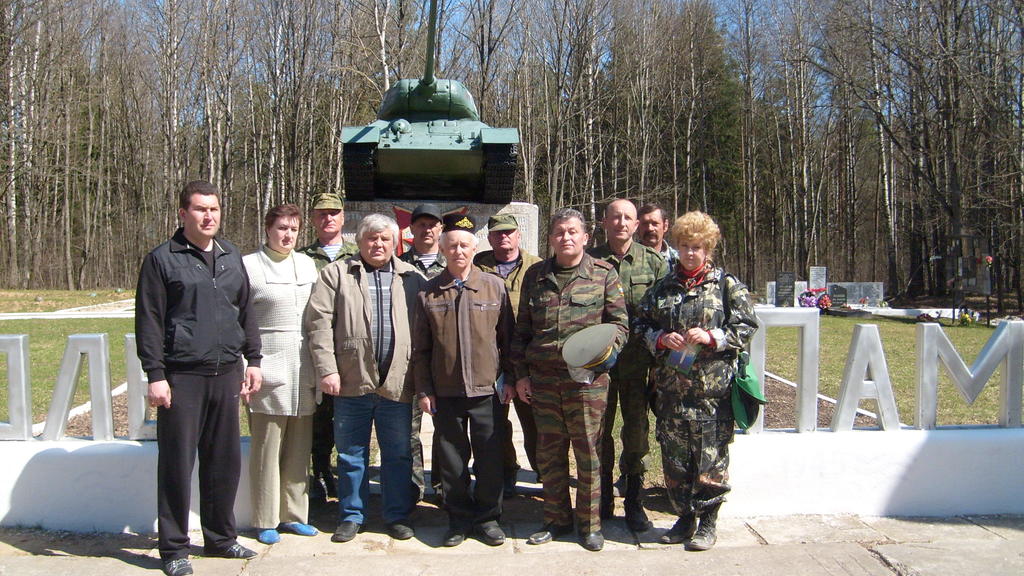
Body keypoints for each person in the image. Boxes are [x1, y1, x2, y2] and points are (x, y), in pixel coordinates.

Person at [135, 180, 262, 576]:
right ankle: (174, 549)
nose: (209, 216)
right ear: (183, 213)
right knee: (177, 464)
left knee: (223, 462)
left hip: (226, 374)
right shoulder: (162, 259)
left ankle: (220, 538)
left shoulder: (230, 255)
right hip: (182, 377)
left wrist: (253, 359)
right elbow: (149, 321)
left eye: (214, 209)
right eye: (200, 209)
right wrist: (156, 374)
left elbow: (246, 311)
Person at [634, 211, 757, 551]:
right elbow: (639, 325)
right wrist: (660, 338)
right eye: (685, 246)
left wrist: (713, 336)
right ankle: (684, 518)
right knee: (675, 462)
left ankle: (708, 522)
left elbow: (746, 326)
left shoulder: (726, 286)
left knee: (710, 461)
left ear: (708, 249)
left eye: (697, 247)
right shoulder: (662, 288)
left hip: (711, 396)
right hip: (671, 394)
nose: (690, 253)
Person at [511, 208, 628, 552]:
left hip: (587, 384)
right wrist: (521, 375)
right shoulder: (535, 276)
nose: (566, 237)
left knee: (588, 453)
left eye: (573, 231)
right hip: (544, 382)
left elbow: (620, 326)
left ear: (585, 237)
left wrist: (602, 359)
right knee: (549, 454)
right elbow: (522, 330)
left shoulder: (603, 274)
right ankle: (555, 519)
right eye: (560, 232)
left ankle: (589, 526)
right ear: (551, 238)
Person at [304, 213, 425, 543]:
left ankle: (396, 515)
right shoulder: (336, 274)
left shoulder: (411, 277)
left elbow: (425, 330)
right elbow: (318, 324)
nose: (378, 244)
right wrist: (327, 369)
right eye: (372, 238)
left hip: (397, 383)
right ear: (359, 242)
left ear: (395, 242)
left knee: (398, 454)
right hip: (351, 380)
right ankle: (351, 515)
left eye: (385, 238)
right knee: (350, 453)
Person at [412, 214, 516, 547]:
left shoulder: (493, 286)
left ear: (474, 248)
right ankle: (458, 519)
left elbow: (508, 340)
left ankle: (488, 518)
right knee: (452, 461)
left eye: (464, 245)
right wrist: (424, 389)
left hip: (488, 390)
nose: (458, 251)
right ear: (443, 250)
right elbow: (420, 348)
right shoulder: (429, 292)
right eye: (452, 246)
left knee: (489, 458)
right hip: (446, 392)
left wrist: (510, 379)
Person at [588, 199, 667, 532]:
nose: (621, 223)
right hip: (599, 365)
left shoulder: (654, 263)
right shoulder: (588, 260)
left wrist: (660, 369)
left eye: (628, 218)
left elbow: (666, 317)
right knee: (598, 432)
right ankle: (603, 497)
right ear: (604, 223)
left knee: (636, 432)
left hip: (637, 365)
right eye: (615, 217)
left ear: (636, 225)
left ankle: (634, 499)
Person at [243, 203, 320, 545]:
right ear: (267, 229)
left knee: (299, 445)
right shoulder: (248, 266)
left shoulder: (306, 264)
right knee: (267, 446)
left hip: (304, 365)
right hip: (266, 364)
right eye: (281, 228)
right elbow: (238, 320)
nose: (288, 235)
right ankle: (265, 518)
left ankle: (294, 514)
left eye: (293, 229)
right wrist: (247, 364)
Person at [474, 213, 543, 496]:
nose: (504, 237)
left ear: (518, 235)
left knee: (535, 421)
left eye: (509, 232)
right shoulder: (477, 267)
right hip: (492, 358)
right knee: (496, 423)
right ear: (490, 238)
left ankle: (544, 470)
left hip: (528, 358)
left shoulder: (537, 267)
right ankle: (506, 472)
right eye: (498, 233)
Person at [298, 192, 357, 502]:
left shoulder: (358, 255)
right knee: (319, 418)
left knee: (351, 419)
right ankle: (320, 474)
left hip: (352, 347)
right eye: (321, 213)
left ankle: (349, 479)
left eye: (334, 213)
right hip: (316, 347)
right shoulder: (300, 258)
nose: (328, 218)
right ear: (313, 219)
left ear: (343, 218)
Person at [400, 203, 445, 502]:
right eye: (421, 224)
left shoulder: (453, 263)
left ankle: (442, 486)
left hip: (443, 360)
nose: (427, 229)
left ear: (441, 228)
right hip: (407, 360)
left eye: (432, 224)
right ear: (411, 228)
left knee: (446, 429)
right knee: (408, 429)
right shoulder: (397, 265)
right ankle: (412, 488)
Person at [638, 203, 678, 270]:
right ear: (637, 227)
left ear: (665, 226)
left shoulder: (679, 261)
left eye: (655, 223)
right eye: (645, 223)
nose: (650, 228)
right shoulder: (626, 259)